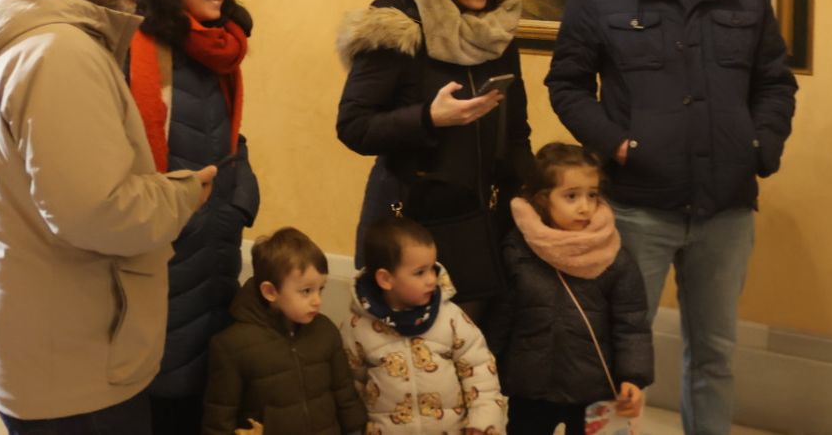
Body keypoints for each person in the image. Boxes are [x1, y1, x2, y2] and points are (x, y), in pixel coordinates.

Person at [546, 0, 797, 434]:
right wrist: (619, 146)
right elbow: (568, 85)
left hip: (726, 208)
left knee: (714, 355)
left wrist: (762, 145)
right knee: (617, 352)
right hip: (639, 207)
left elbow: (773, 80)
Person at [0, 0, 216, 433]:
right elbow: (95, 211)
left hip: (43, 335)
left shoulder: (30, 35)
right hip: (70, 359)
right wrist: (182, 193)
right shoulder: (59, 53)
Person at [335, 0, 532, 336]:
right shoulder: (395, 24)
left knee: (472, 356)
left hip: (480, 217)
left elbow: (516, 131)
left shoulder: (496, 26)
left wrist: (531, 199)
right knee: (404, 360)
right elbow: (354, 126)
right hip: (409, 216)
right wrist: (428, 117)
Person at [127, 0, 260, 433]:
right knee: (163, 367)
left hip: (216, 232)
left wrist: (238, 197)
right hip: (165, 234)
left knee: (208, 363)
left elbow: (226, 134)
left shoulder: (219, 47)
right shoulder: (136, 45)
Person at [497, 143, 651, 434]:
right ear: (543, 199)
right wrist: (485, 372)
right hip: (530, 386)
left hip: (593, 389)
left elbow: (631, 324)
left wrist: (633, 376)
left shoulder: (612, 254)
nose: (585, 206)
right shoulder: (518, 251)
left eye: (592, 195)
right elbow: (501, 317)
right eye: (571, 196)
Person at [340, 218, 505, 435]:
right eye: (420, 272)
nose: (431, 280)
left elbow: (480, 371)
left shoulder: (451, 319)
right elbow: (350, 389)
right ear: (386, 279)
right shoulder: (358, 328)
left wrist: (483, 422)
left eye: (432, 269)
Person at [202, 227, 366, 435]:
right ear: (271, 292)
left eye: (320, 289)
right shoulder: (232, 345)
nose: (317, 300)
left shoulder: (325, 331)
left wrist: (357, 429)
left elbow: (344, 394)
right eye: (306, 291)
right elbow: (219, 417)